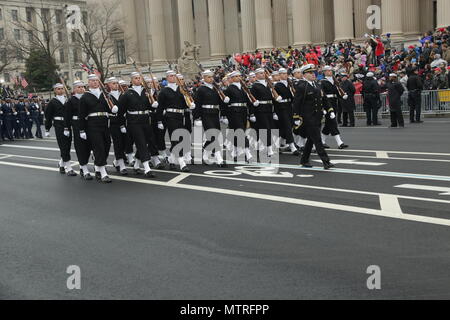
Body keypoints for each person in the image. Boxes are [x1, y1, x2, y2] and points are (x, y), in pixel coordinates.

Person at [118, 72, 161, 177]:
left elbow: (149, 107)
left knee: (146, 142)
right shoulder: (127, 94)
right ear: (132, 80)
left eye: (139, 78)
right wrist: (122, 125)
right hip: (134, 122)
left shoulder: (146, 92)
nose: (138, 80)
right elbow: (120, 112)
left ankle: (137, 165)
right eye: (136, 78)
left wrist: (153, 105)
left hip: (146, 120)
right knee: (141, 143)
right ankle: (147, 168)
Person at [293, 64, 334, 170]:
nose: (313, 74)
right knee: (317, 139)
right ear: (304, 74)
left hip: (318, 117)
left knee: (311, 140)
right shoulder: (302, 86)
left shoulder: (317, 85)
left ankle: (304, 160)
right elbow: (296, 103)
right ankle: (326, 161)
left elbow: (324, 99)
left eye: (313, 72)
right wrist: (296, 117)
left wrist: (330, 110)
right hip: (308, 117)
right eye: (310, 73)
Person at [156, 70, 195, 172]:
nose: (173, 78)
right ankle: (182, 163)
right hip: (170, 116)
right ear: (167, 78)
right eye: (171, 76)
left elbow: (185, 102)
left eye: (174, 76)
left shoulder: (181, 89)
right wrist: (159, 120)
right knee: (176, 138)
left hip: (180, 116)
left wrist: (190, 104)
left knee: (180, 138)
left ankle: (171, 160)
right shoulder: (164, 91)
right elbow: (160, 107)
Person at [79, 74, 114, 183]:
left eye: (96, 81)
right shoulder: (85, 97)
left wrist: (113, 109)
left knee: (107, 144)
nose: (95, 82)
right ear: (88, 82)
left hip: (104, 123)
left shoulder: (105, 95)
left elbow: (110, 108)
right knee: (99, 147)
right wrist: (82, 130)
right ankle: (103, 173)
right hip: (92, 124)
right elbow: (81, 115)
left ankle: (98, 167)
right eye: (92, 81)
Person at [193, 69, 228, 167]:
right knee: (212, 135)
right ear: (203, 78)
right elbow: (197, 104)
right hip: (206, 114)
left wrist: (224, 102)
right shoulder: (201, 89)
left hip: (215, 114)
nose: (211, 78)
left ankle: (205, 155)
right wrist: (197, 118)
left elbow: (220, 103)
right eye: (209, 77)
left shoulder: (215, 88)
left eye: (212, 77)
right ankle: (219, 159)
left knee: (214, 136)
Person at [63, 80, 93, 180]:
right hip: (77, 125)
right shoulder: (71, 100)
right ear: (75, 89)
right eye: (79, 87)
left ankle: (83, 166)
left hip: (88, 124)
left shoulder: (87, 98)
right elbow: (67, 116)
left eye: (83, 87)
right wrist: (67, 128)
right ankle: (84, 169)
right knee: (81, 147)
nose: (82, 89)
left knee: (89, 147)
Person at [45, 83, 77, 176]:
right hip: (59, 125)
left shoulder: (68, 100)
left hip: (68, 124)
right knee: (63, 145)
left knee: (68, 145)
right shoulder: (52, 102)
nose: (60, 90)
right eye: (58, 89)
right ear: (55, 90)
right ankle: (68, 167)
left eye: (62, 89)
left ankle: (61, 163)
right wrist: (47, 129)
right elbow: (48, 116)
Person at [223, 70, 254, 162]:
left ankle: (235, 152)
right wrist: (224, 116)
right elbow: (224, 104)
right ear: (232, 78)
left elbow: (247, 100)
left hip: (243, 112)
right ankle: (247, 153)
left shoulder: (243, 88)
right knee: (241, 131)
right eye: (236, 76)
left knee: (238, 132)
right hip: (234, 112)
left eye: (240, 76)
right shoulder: (229, 89)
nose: (239, 78)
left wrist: (251, 110)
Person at [320, 66, 349, 149]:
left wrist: (342, 96)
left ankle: (322, 141)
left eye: (331, 70)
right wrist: (323, 107)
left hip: (334, 102)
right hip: (327, 103)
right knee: (333, 122)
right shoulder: (322, 81)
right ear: (324, 72)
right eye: (328, 71)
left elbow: (337, 92)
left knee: (328, 124)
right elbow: (322, 95)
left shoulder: (334, 81)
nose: (330, 72)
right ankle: (340, 142)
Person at [274, 68, 299, 155]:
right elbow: (274, 100)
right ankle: (292, 147)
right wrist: (275, 112)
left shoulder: (289, 84)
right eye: (283, 74)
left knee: (286, 127)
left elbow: (293, 97)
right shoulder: (277, 85)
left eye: (286, 73)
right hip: (281, 108)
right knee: (287, 127)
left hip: (289, 107)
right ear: (279, 75)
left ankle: (277, 145)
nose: (285, 75)